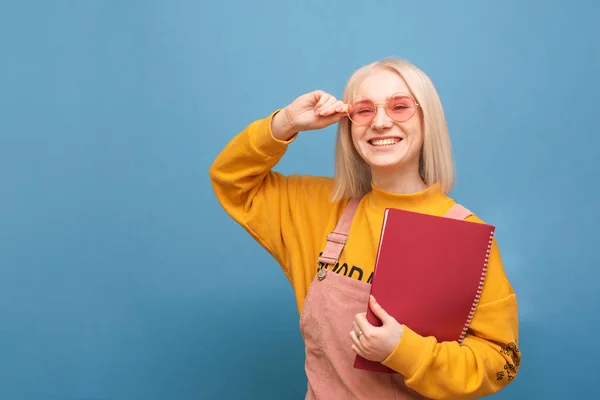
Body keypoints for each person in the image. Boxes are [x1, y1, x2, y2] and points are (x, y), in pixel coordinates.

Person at [209, 58, 521, 399]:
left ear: (427, 119)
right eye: (364, 110)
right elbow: (231, 180)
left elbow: (500, 359)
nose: (381, 122)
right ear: (349, 124)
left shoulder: (466, 235)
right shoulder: (316, 208)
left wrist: (405, 350)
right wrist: (284, 123)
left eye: (400, 107)